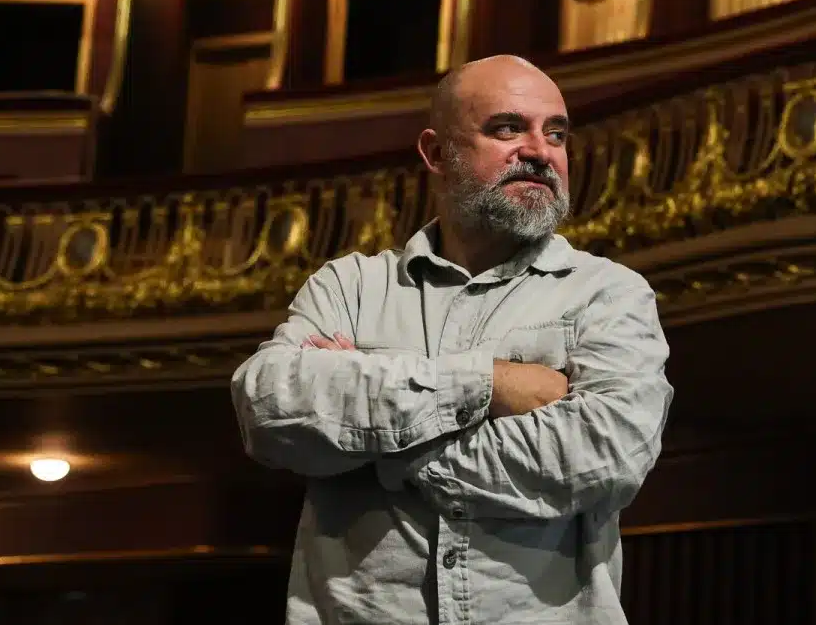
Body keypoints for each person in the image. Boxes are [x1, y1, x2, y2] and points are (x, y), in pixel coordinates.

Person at [230, 54, 673, 625]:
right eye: (508, 128)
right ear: (437, 153)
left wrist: (379, 440)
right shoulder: (350, 285)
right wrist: (489, 383)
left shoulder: (608, 294)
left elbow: (603, 460)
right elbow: (268, 409)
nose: (540, 151)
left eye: (556, 133)